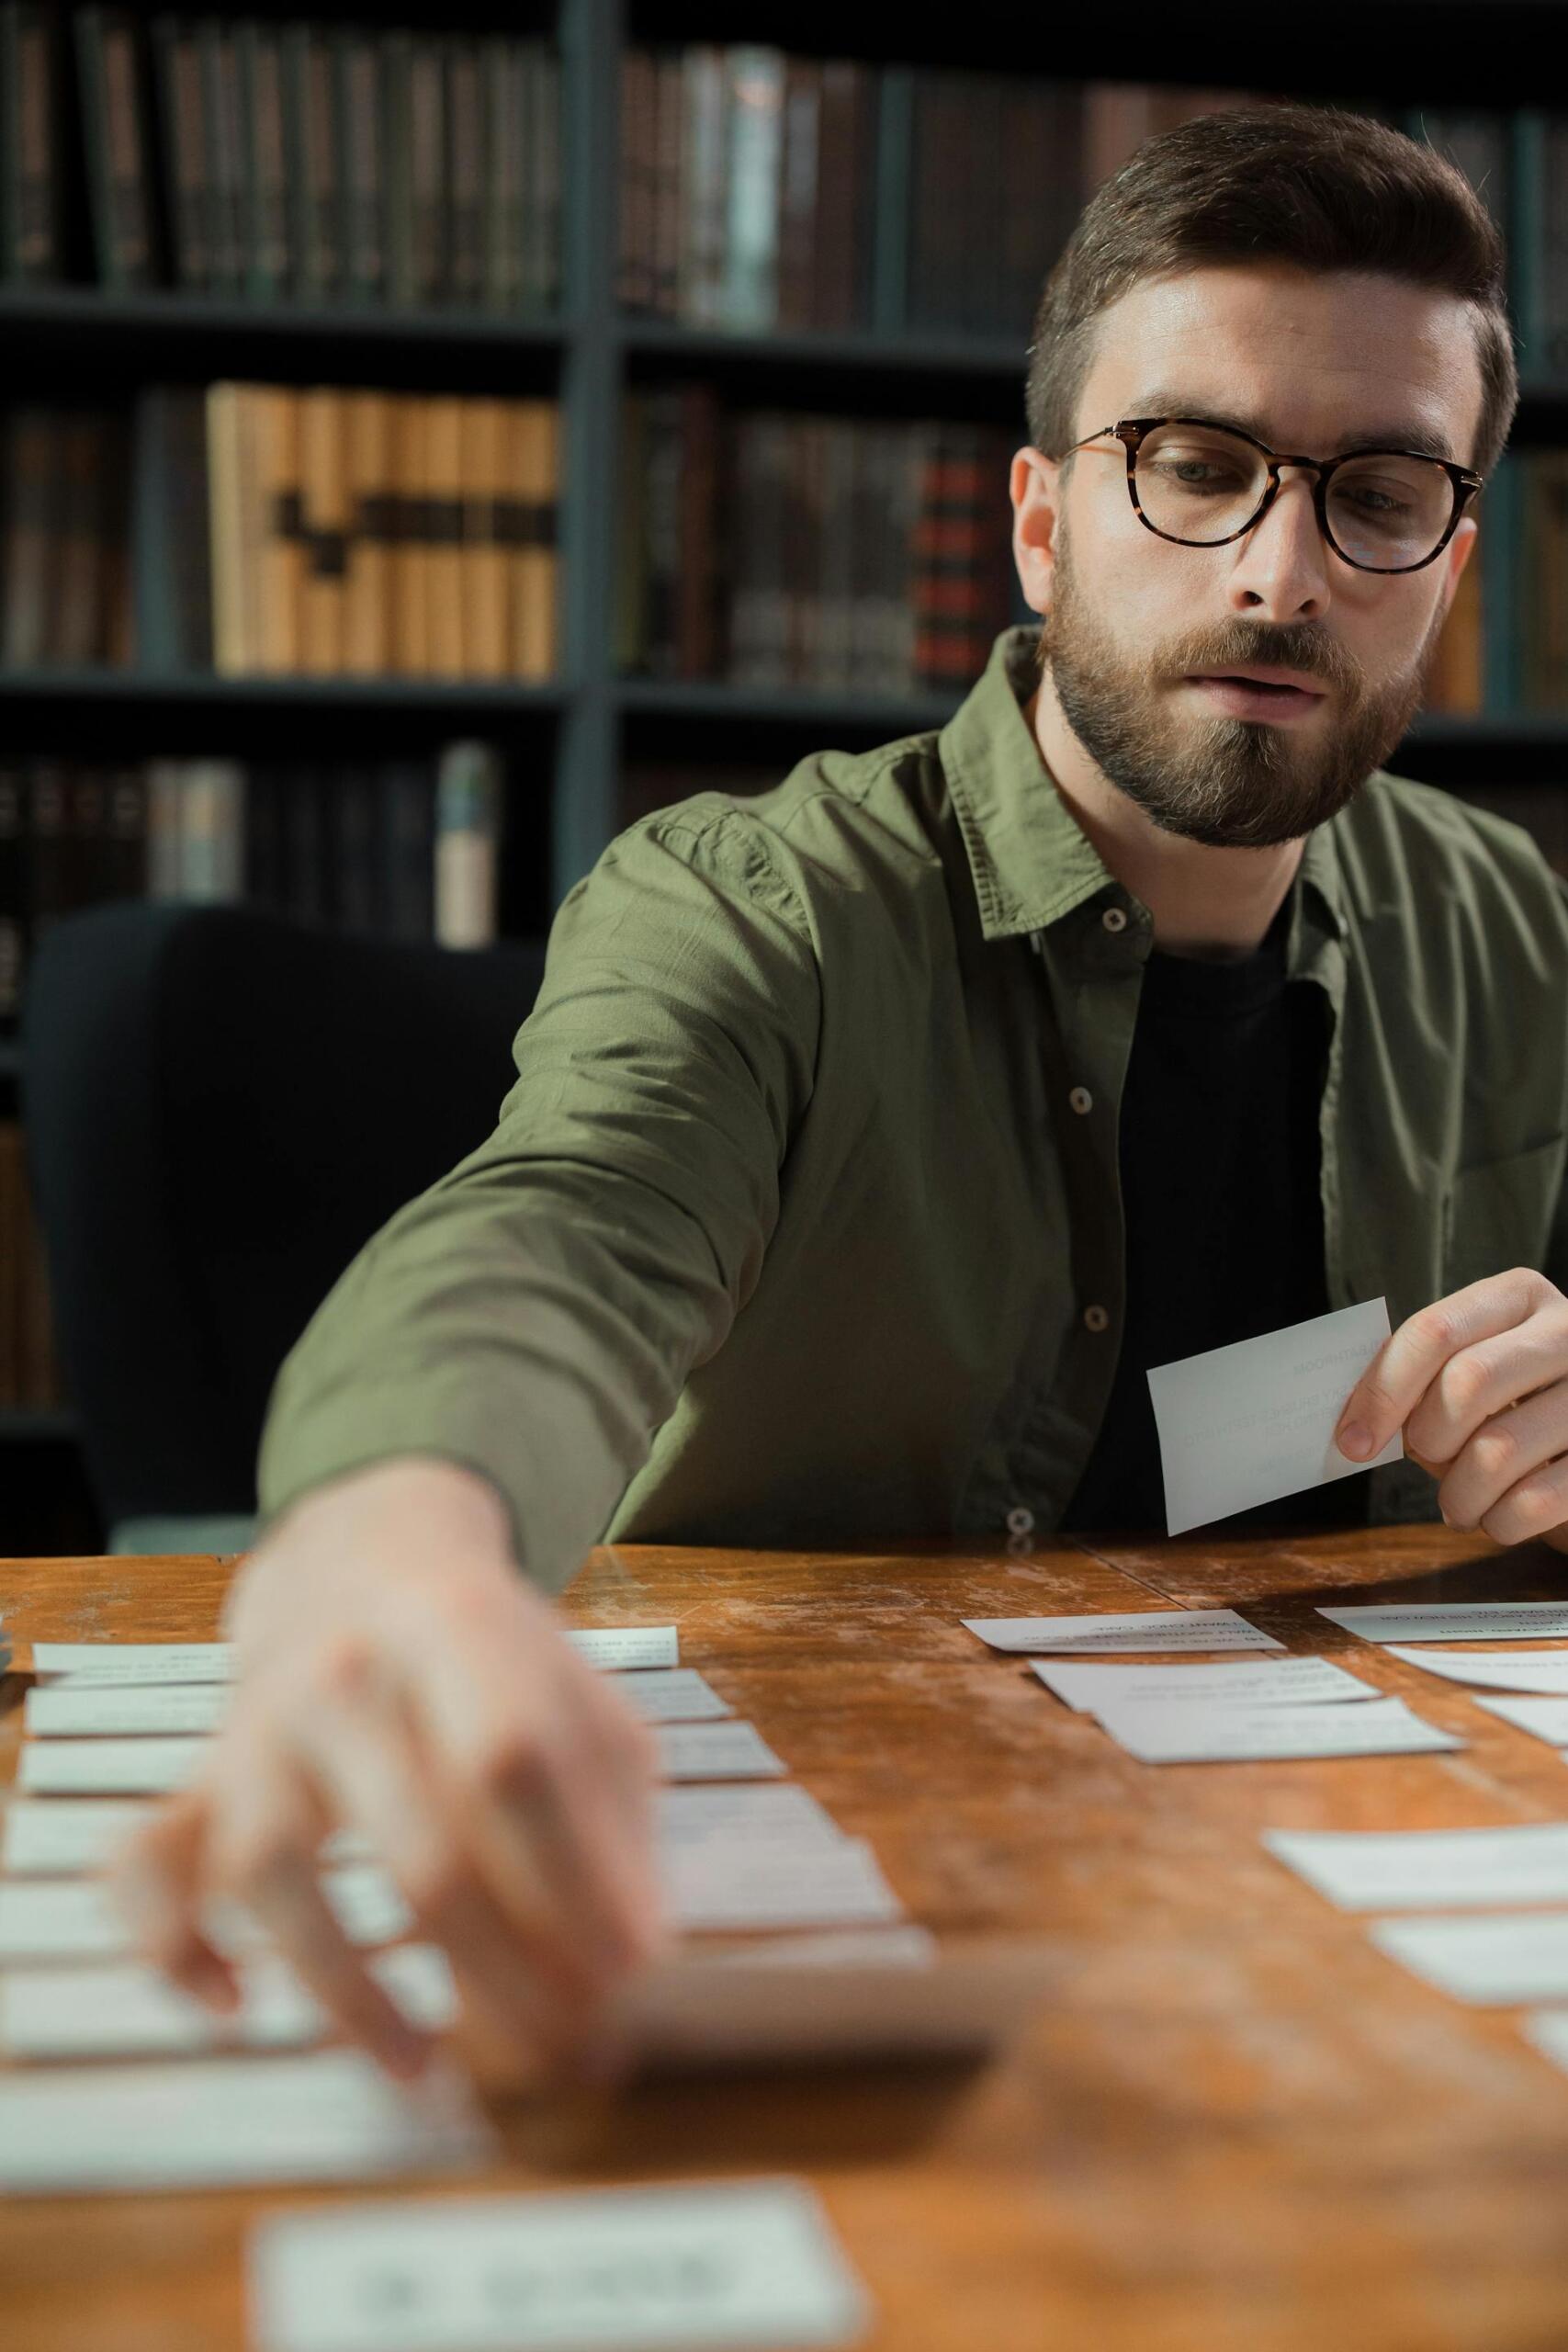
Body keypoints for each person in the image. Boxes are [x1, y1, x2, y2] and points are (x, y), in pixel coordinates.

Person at [112, 100, 1568, 2080]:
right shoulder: (754, 903)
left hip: (1327, 1885)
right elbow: (561, 1225)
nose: (1276, 570)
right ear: (1042, 520)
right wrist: (395, 1542)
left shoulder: (1503, 921)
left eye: (1376, 491)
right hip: (783, 1838)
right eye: (1193, 467)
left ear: (1447, 558)